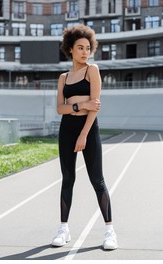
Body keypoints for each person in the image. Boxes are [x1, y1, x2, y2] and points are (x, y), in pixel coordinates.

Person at [52, 24, 118, 250]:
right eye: (80, 47)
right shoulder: (63, 78)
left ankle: (110, 231)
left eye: (88, 48)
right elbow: (60, 109)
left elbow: (95, 107)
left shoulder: (93, 70)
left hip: (88, 129)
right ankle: (63, 229)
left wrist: (83, 134)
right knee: (67, 179)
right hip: (66, 130)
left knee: (97, 180)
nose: (84, 52)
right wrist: (82, 104)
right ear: (70, 49)